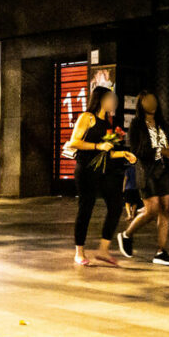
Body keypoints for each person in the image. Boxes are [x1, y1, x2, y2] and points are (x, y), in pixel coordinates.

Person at [67, 86, 137, 266]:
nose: (113, 102)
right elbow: (74, 142)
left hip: (104, 171)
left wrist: (123, 154)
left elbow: (107, 151)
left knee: (116, 206)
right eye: (110, 98)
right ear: (101, 99)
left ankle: (103, 249)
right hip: (86, 170)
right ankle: (79, 252)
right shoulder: (87, 117)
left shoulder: (107, 123)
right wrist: (97, 146)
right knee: (86, 209)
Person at [117, 91, 169, 266]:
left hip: (165, 170)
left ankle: (161, 251)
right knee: (151, 210)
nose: (152, 103)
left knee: (165, 209)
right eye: (147, 101)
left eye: (154, 100)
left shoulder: (163, 124)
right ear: (141, 104)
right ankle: (127, 235)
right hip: (147, 171)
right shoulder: (137, 125)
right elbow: (137, 151)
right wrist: (161, 151)